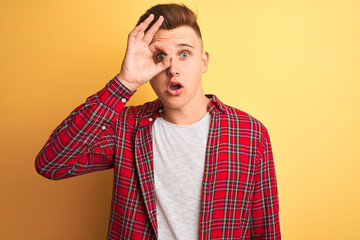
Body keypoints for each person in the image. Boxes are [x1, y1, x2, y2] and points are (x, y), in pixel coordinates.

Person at [35, 3, 281, 240]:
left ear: (203, 61)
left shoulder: (249, 133)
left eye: (184, 54)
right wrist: (125, 82)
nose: (172, 68)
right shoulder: (126, 127)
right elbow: (52, 164)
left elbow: (265, 230)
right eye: (160, 56)